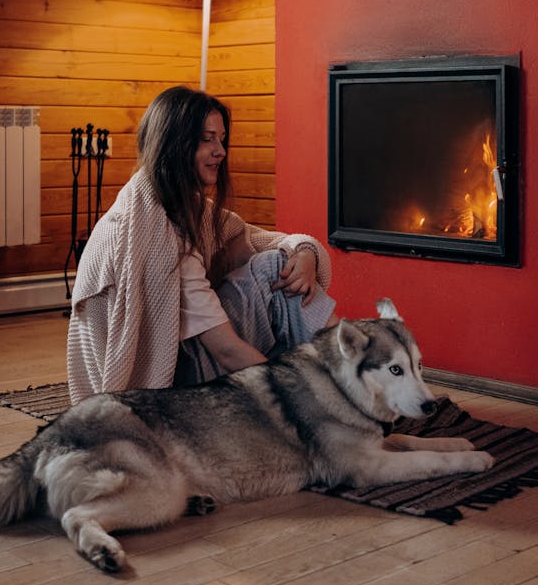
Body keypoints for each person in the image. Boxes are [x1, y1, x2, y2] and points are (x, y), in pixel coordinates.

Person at [67, 86, 337, 403]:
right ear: (173, 144)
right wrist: (291, 400)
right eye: (207, 139)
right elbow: (225, 351)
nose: (220, 150)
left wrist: (306, 253)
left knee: (280, 264)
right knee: (276, 271)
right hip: (170, 389)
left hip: (186, 362)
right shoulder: (152, 237)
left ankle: (352, 370)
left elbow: (266, 241)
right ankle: (352, 376)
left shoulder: (183, 209)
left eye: (221, 139)